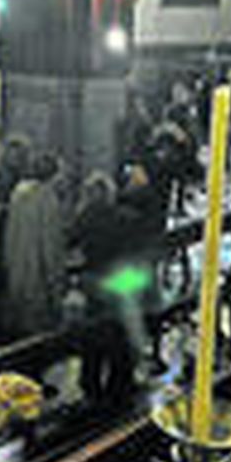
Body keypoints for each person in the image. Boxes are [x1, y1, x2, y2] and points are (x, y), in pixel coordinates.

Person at [72, 171, 140, 407]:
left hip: (96, 281)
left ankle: (91, 384)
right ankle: (120, 384)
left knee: (93, 336)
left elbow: (71, 245)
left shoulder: (84, 217)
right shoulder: (127, 217)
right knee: (121, 333)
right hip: (123, 281)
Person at [1, 152, 67, 337]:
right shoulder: (47, 198)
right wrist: (56, 287)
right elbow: (50, 248)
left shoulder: (18, 193)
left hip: (16, 276)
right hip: (38, 282)